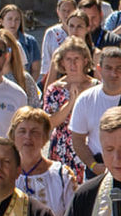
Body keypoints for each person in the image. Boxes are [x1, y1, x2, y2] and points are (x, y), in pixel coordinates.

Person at [69, 46, 121, 177]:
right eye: (108, 68)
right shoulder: (85, 100)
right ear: (99, 69)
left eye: (119, 68)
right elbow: (77, 139)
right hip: (98, 170)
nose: (114, 73)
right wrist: (93, 165)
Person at [41, 37, 96, 181]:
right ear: (62, 62)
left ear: (85, 60)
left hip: (89, 148)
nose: (73, 64)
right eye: (68, 59)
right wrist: (71, 102)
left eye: (76, 58)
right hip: (62, 149)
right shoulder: (54, 89)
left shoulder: (97, 87)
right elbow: (50, 122)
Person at [40, 0, 77, 76]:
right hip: (56, 76)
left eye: (69, 11)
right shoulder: (51, 32)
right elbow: (46, 60)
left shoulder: (79, 30)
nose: (66, 14)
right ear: (58, 12)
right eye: (63, 10)